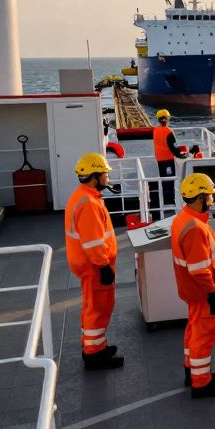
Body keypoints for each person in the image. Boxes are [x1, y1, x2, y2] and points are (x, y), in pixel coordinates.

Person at [171, 173, 215, 398]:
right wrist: (211, 294)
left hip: (193, 292)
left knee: (194, 331)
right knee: (203, 337)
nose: (211, 201)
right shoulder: (196, 228)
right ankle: (201, 382)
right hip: (202, 292)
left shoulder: (182, 220)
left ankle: (193, 370)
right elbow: (198, 268)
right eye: (209, 197)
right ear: (200, 198)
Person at [64, 153, 123, 370]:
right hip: (95, 266)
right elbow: (93, 242)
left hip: (91, 265)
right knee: (97, 307)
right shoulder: (88, 203)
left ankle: (96, 347)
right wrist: (103, 267)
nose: (107, 176)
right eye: (104, 173)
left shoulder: (83, 196)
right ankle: (94, 354)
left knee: (95, 306)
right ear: (94, 176)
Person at [151, 109, 186, 207]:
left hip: (160, 160)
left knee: (164, 181)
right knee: (169, 182)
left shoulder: (155, 130)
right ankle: (169, 202)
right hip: (168, 160)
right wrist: (180, 155)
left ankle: (165, 202)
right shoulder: (168, 131)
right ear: (167, 119)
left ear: (158, 119)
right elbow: (173, 147)